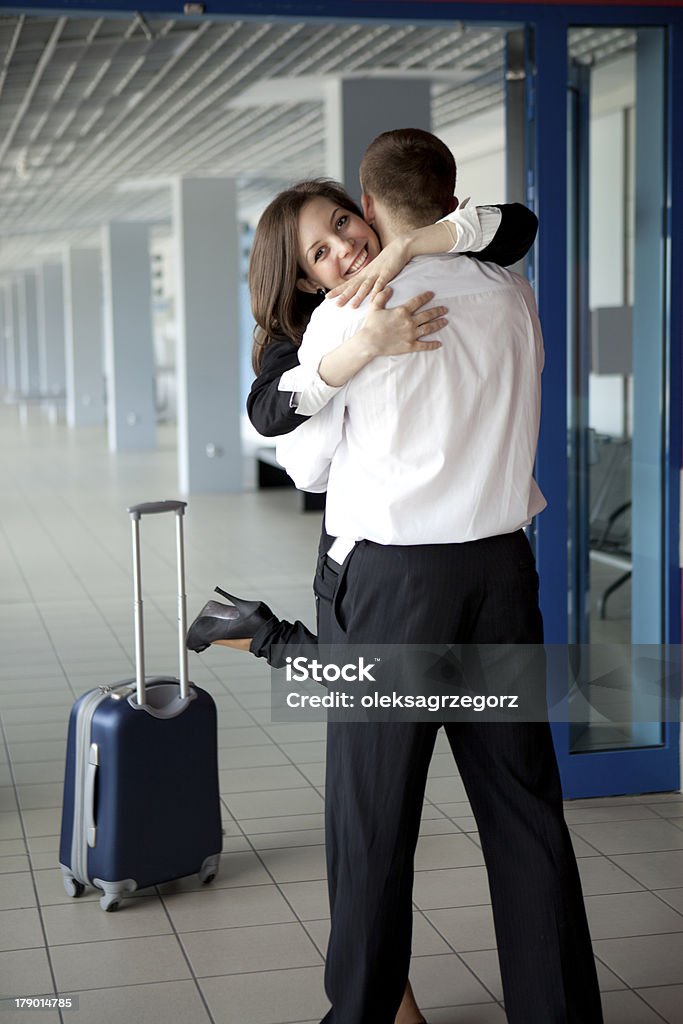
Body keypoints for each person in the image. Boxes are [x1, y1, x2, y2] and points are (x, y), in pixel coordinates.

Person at [186, 175, 542, 1024]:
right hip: (485, 568)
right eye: (320, 250)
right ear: (302, 277)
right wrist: (358, 349)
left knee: (373, 810)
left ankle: (262, 638)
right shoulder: (312, 331)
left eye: (343, 223)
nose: (343, 248)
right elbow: (271, 414)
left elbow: (513, 223)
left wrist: (410, 251)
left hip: (397, 576)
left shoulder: (433, 269)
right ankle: (402, 1003)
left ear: (370, 210)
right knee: (500, 810)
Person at [269, 128, 604, 1024]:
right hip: (500, 579)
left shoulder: (350, 313)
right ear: (450, 200)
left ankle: (369, 1014)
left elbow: (303, 469)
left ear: (370, 211)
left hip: (392, 596)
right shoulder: (509, 290)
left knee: (374, 822)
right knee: (525, 814)